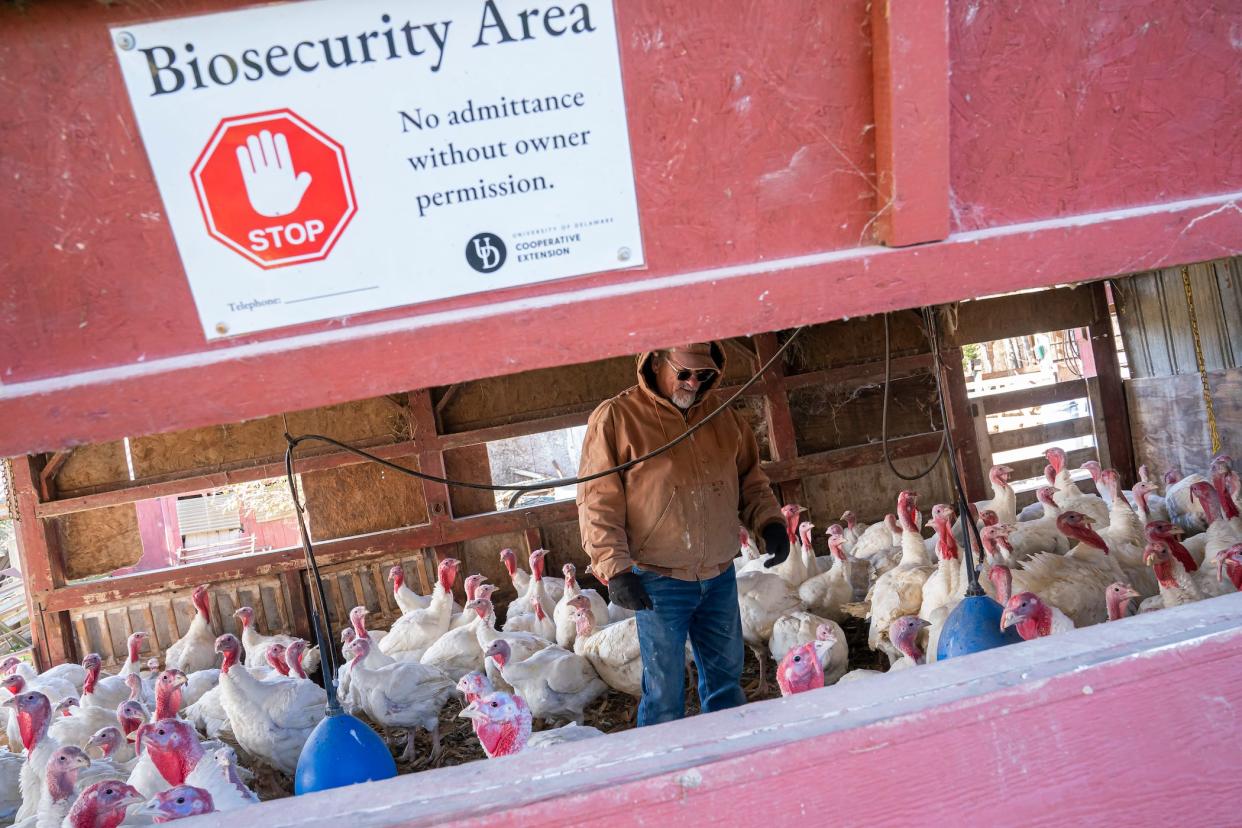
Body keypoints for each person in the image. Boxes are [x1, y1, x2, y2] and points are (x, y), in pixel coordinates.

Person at [576, 342, 790, 725]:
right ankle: (666, 774)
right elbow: (597, 500)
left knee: (727, 682)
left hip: (719, 573)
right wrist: (616, 568)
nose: (694, 383)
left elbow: (750, 481)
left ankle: (728, 762)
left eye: (704, 375)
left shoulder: (724, 415)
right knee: (663, 694)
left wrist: (770, 523)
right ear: (655, 360)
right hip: (658, 579)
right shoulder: (617, 418)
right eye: (685, 373)